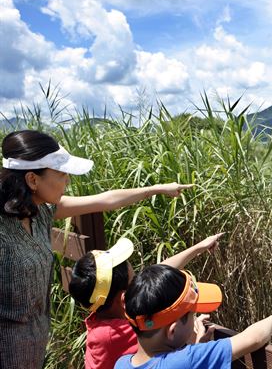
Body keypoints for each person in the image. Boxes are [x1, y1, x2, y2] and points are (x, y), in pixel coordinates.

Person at [0, 129, 192, 369]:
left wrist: (155, 189)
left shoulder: (42, 212)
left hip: (34, 348)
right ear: (32, 179)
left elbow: (106, 199)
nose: (67, 180)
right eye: (60, 173)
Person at [69, 233, 223, 369]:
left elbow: (155, 276)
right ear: (124, 298)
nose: (141, 282)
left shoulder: (101, 315)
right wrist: (194, 346)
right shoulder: (115, 334)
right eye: (134, 280)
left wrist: (198, 248)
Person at [115, 264, 272, 369]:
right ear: (173, 330)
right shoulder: (188, 359)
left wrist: (196, 345)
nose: (195, 320)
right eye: (192, 316)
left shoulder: (121, 363)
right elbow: (254, 339)